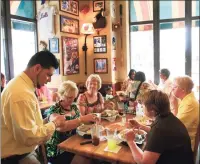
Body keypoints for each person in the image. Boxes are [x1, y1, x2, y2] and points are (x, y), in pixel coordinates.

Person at [1, 51, 66, 164]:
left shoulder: (22, 85)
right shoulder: (21, 93)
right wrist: (54, 124)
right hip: (17, 158)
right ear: (37, 68)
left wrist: (47, 119)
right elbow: (29, 137)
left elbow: (28, 124)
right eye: (48, 75)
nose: (49, 80)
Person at [126, 90, 194, 164]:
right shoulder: (168, 117)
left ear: (152, 110)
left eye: (143, 106)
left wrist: (130, 141)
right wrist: (139, 126)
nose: (142, 108)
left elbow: (144, 162)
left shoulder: (159, 129)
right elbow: (161, 135)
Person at [46, 80, 96, 164]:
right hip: (58, 150)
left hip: (74, 144)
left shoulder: (73, 107)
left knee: (93, 153)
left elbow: (81, 123)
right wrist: (82, 119)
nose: (72, 100)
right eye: (69, 97)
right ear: (61, 95)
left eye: (74, 97)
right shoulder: (54, 109)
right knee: (85, 158)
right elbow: (60, 127)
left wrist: (91, 121)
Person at [172, 76, 199, 151]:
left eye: (174, 87)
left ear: (183, 89)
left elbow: (175, 127)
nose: (172, 89)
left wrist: (174, 106)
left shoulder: (189, 103)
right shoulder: (185, 99)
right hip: (180, 140)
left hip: (183, 145)